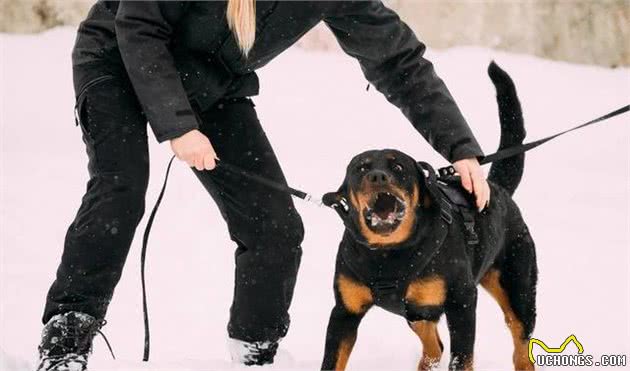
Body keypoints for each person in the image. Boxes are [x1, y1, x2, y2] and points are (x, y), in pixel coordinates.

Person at [36, 1, 490, 370]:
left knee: (275, 226)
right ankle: (65, 340)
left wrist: (459, 146)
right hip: (116, 57)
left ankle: (256, 353)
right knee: (121, 188)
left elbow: (397, 60)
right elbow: (138, 23)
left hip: (211, 86)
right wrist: (177, 124)